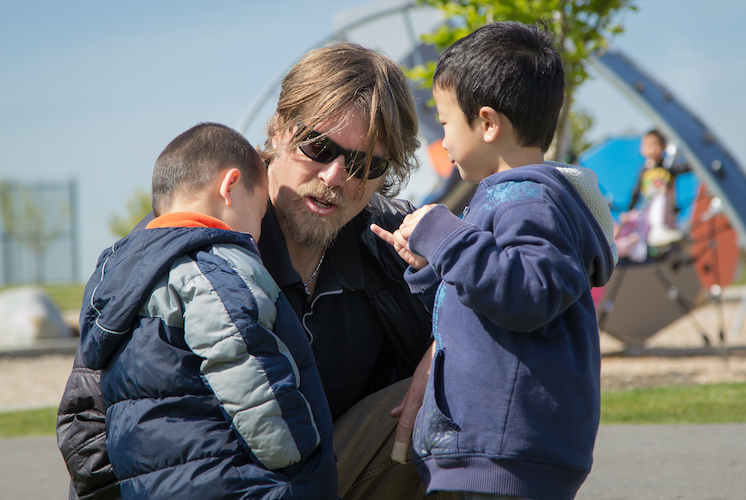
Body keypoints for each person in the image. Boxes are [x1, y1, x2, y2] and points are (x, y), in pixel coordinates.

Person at [57, 43, 434, 500]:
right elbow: (87, 424)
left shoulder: (397, 240)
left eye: (363, 165)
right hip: (220, 489)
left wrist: (449, 344)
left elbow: (517, 291)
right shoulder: (183, 250)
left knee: (458, 392)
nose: (335, 177)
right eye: (318, 146)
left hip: (325, 476)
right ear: (277, 131)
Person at [372, 22, 617, 500]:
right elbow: (478, 299)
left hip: (505, 454)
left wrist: (442, 233)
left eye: (444, 124)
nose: (441, 143)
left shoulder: (528, 201)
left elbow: (528, 292)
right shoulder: (505, 200)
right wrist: (429, 265)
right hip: (492, 449)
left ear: (487, 123)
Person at [72, 122, 337, 499]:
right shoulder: (213, 265)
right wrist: (300, 453)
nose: (258, 232)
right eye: (260, 213)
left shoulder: (118, 272)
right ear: (229, 187)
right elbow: (244, 364)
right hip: (224, 478)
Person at [616, 129, 688, 259]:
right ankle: (657, 230)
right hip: (649, 212)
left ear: (663, 147)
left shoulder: (668, 168)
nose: (650, 149)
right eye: (647, 145)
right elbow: (636, 191)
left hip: (667, 210)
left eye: (654, 145)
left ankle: (664, 233)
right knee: (657, 199)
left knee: (662, 195)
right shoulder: (644, 170)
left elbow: (686, 167)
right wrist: (630, 209)